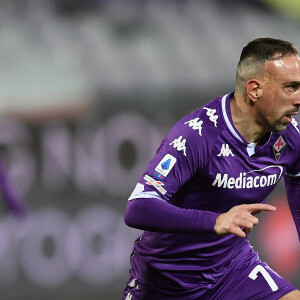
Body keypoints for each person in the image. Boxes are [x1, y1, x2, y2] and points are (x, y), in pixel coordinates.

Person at [123, 37, 300, 300]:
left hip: (233, 271)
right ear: (254, 90)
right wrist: (215, 220)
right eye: (290, 88)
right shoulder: (198, 135)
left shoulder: (290, 137)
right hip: (166, 282)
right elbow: (138, 207)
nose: (298, 99)